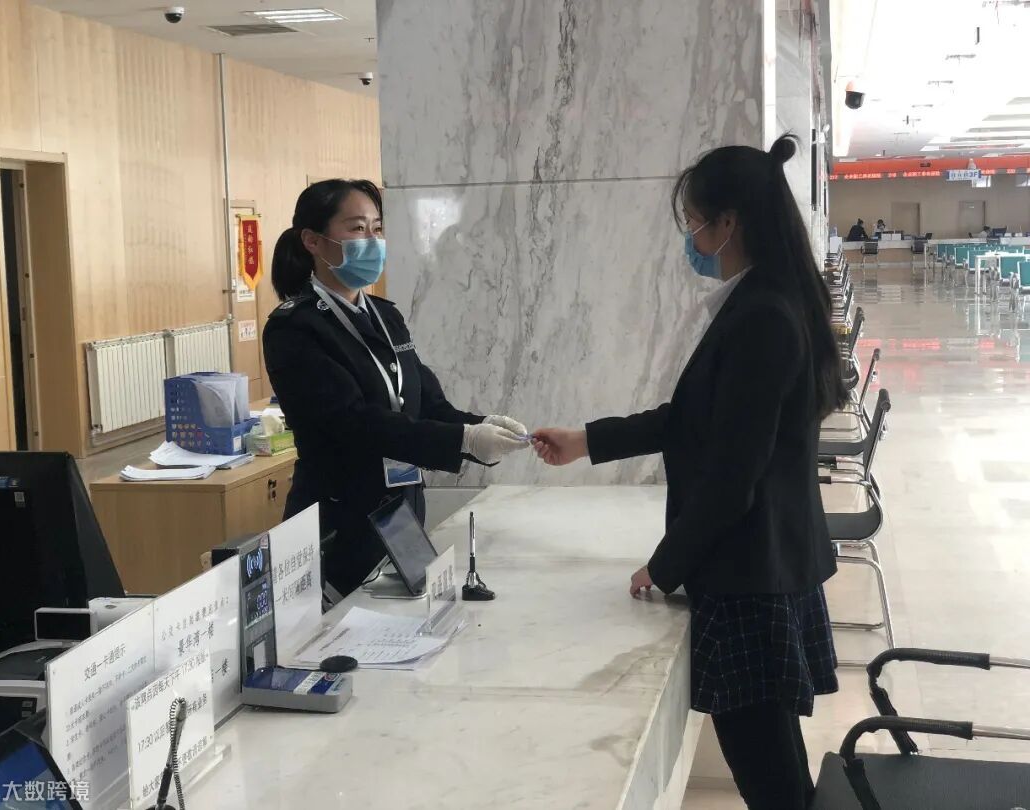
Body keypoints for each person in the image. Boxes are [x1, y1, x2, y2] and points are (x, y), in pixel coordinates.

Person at [532, 134, 845, 810]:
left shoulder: (763, 316)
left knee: (769, 773)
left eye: (695, 222)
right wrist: (587, 440)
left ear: (728, 222)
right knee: (776, 762)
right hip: (765, 562)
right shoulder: (767, 298)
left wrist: (666, 563)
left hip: (751, 578)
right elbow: (696, 418)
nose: (692, 238)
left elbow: (734, 475)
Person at [262, 179, 529, 597]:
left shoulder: (385, 317)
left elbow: (426, 403)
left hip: (400, 517)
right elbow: (354, 423)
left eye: (377, 228)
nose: (372, 241)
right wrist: (462, 439)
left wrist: (482, 426)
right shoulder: (295, 328)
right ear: (313, 241)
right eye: (357, 228)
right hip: (338, 523)